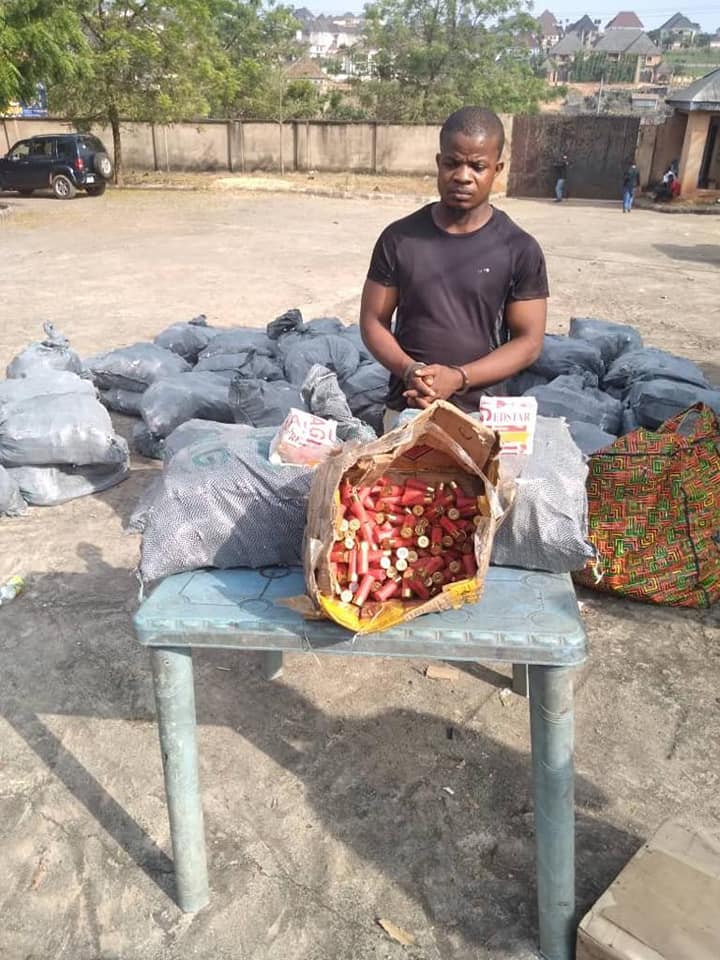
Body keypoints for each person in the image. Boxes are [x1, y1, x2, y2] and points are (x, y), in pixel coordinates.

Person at [359, 106, 549, 431]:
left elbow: (528, 342)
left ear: (497, 169)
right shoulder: (400, 239)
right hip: (408, 409)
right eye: (452, 163)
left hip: (482, 419)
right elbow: (373, 320)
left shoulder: (519, 248)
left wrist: (459, 378)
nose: (463, 176)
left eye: (477, 166)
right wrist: (410, 371)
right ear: (438, 162)